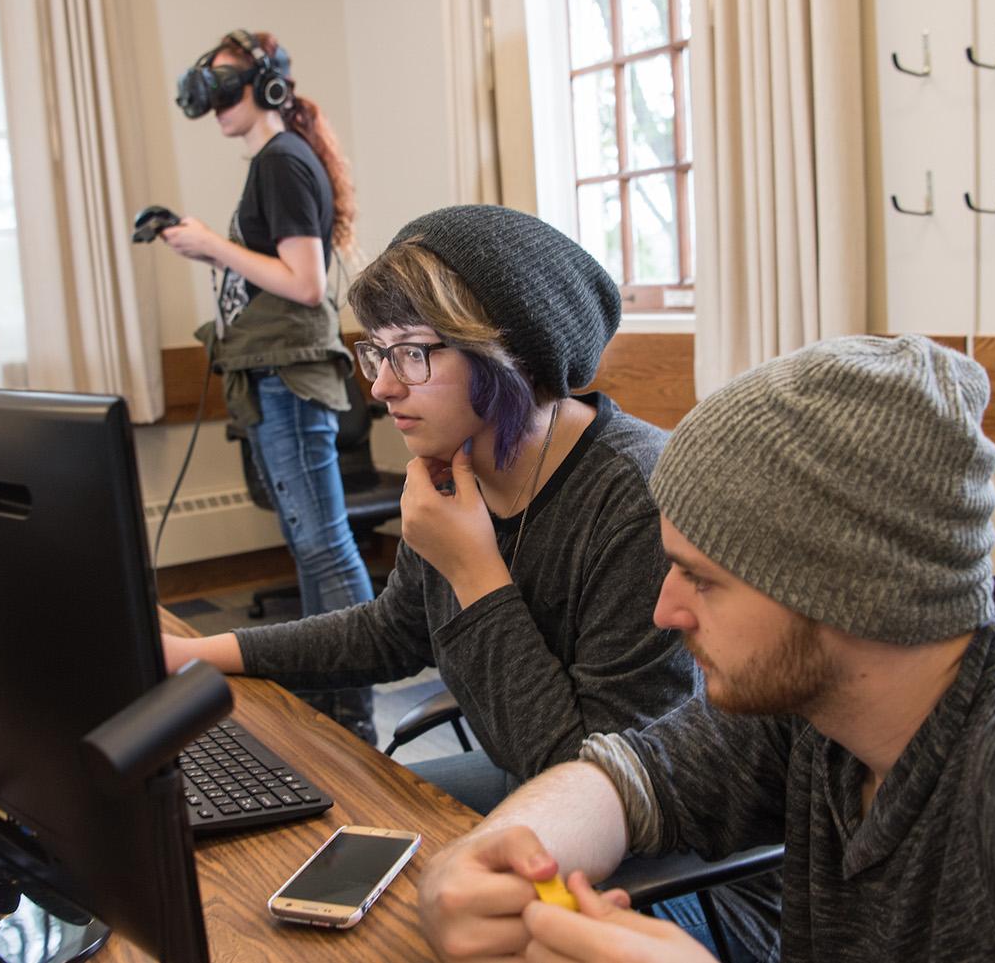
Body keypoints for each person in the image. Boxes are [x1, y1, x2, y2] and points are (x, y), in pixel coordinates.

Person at [417, 335, 995, 962]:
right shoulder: (821, 705)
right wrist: (492, 854)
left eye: (704, 577)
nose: (665, 610)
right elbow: (627, 777)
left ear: (843, 588)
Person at [163, 205, 700, 814]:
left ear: (512, 357)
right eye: (379, 353)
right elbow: (393, 632)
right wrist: (200, 654)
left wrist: (473, 569)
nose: (382, 387)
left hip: (632, 840)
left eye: (413, 353)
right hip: (523, 776)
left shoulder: (636, 499)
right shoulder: (461, 462)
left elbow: (597, 786)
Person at [160, 29, 376, 741]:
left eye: (228, 84)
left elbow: (307, 283)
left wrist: (211, 246)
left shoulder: (282, 162)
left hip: (289, 378)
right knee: (312, 543)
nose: (216, 102)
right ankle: (332, 703)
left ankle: (355, 718)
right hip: (272, 376)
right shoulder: (274, 163)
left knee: (326, 545)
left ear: (267, 87)